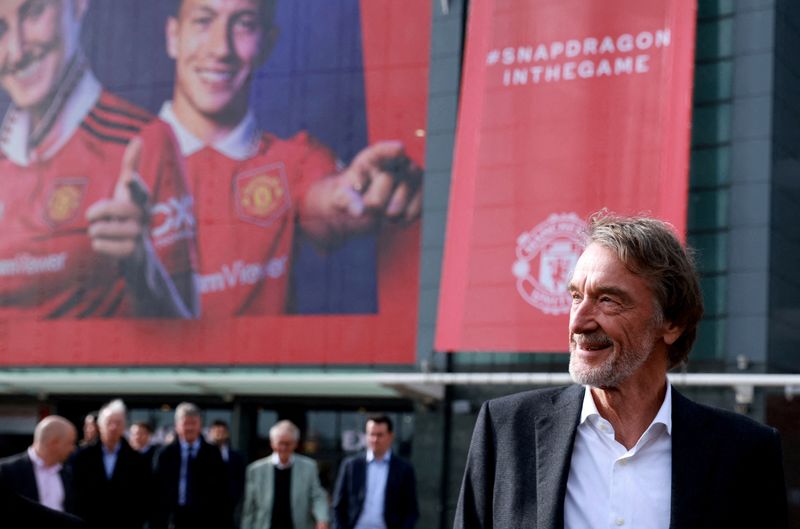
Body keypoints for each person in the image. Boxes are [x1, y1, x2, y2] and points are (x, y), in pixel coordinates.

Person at [453, 211, 789, 529]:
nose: (579, 322)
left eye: (607, 300)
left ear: (671, 323)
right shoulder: (507, 430)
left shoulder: (745, 453)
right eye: (575, 296)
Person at [159, 0, 422, 317]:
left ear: (268, 44)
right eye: (203, 21)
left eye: (243, 24)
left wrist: (357, 193)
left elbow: (328, 200)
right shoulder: (113, 161)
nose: (220, 48)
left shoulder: (294, 161)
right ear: (173, 37)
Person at [0, 0, 197, 318]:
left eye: (34, 12)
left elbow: (192, 347)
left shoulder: (143, 142)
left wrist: (141, 267)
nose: (17, 50)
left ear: (78, 6)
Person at [150, 402, 231, 529]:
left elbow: (221, 490)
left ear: (200, 425)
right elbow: (155, 490)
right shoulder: (165, 454)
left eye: (193, 423)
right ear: (177, 426)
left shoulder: (212, 453)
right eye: (185, 423)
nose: (189, 428)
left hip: (204, 518)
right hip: (172, 517)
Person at [71, 399, 149, 529]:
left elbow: (143, 497)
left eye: (118, 423)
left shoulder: (137, 459)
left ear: (124, 426)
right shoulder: (82, 456)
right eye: (109, 422)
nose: (113, 427)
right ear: (100, 425)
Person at [332, 415, 418, 529]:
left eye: (380, 435)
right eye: (371, 434)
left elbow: (411, 511)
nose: (375, 439)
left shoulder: (404, 469)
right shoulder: (351, 466)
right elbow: (338, 506)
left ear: (390, 436)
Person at [242, 420, 329, 529]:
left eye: (288, 444)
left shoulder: (309, 467)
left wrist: (322, 519)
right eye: (280, 443)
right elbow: (249, 508)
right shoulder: (255, 470)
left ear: (295, 444)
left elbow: (317, 495)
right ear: (272, 443)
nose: (283, 448)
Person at [0, 415, 77, 513]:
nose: (73, 449)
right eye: (70, 443)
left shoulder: (68, 473)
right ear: (53, 443)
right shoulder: (6, 471)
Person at [207, 419, 246, 528]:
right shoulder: (203, 454)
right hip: (207, 504)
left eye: (222, 432)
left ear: (227, 434)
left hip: (229, 504)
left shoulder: (236, 456)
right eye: (216, 431)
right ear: (210, 433)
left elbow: (241, 478)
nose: (219, 435)